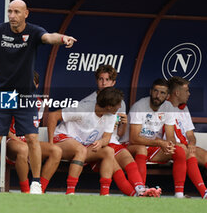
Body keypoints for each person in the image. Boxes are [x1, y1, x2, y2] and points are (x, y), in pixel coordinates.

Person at [0, 0, 77, 194]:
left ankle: (35, 183)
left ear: (26, 14)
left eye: (17, 12)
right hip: (2, 93)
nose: (12, 16)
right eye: (10, 11)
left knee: (31, 137)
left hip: (24, 94)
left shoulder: (34, 31)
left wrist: (62, 38)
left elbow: (48, 37)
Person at [82, 65, 160, 196]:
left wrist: (124, 124)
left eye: (107, 80)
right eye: (101, 79)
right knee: (115, 167)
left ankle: (140, 189)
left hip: (113, 141)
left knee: (128, 159)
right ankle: (137, 194)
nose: (104, 83)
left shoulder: (119, 102)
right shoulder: (88, 102)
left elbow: (119, 134)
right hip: (96, 143)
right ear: (97, 81)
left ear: (113, 82)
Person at [48, 87, 123, 196]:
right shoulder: (84, 108)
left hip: (82, 146)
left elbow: (107, 137)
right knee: (81, 150)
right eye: (118, 104)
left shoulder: (111, 115)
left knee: (109, 151)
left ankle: (105, 194)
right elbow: (53, 116)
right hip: (62, 139)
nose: (120, 107)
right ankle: (70, 192)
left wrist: (101, 142)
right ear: (109, 106)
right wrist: (51, 144)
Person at [125, 78, 188, 198]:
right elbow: (134, 138)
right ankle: (141, 191)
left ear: (168, 96)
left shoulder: (168, 107)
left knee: (179, 150)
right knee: (141, 148)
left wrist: (169, 145)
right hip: (131, 147)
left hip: (152, 147)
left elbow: (170, 136)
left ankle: (179, 194)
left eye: (162, 93)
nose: (158, 95)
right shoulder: (140, 106)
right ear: (150, 91)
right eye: (155, 91)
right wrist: (160, 143)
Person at [6, 71, 62, 193]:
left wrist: (32, 144)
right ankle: (25, 190)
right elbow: (4, 127)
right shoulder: (10, 98)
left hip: (28, 141)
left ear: (36, 86)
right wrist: (22, 143)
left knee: (56, 151)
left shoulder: (39, 103)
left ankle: (39, 189)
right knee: (23, 149)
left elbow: (33, 129)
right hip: (11, 141)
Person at [167, 76, 207, 199]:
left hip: (184, 146)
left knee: (204, 155)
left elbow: (190, 134)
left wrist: (192, 143)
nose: (189, 94)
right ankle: (204, 192)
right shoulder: (164, 107)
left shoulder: (184, 109)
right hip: (168, 147)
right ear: (177, 92)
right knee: (187, 153)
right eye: (186, 91)